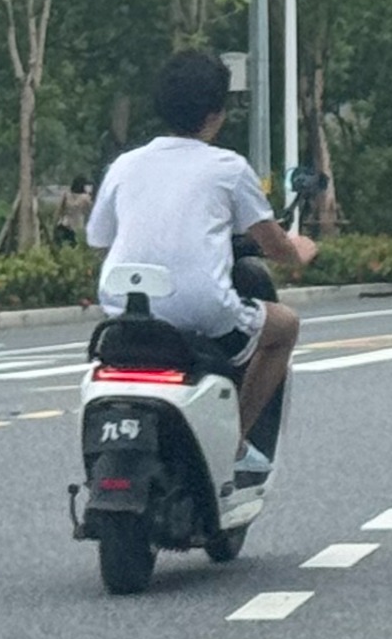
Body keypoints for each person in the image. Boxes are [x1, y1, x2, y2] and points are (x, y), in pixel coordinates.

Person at [86, 51, 315, 478]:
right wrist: (300, 250)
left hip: (126, 311)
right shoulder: (228, 167)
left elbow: (100, 240)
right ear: (216, 113)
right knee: (284, 327)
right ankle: (237, 440)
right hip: (203, 311)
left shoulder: (124, 165)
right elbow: (274, 244)